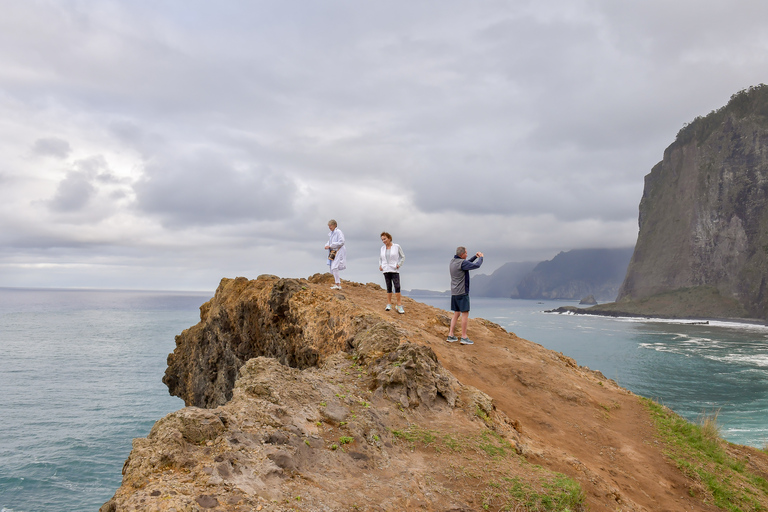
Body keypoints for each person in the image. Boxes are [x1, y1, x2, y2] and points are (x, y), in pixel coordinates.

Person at [447, 246, 483, 345]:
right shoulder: (462, 263)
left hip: (454, 292)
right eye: (466, 253)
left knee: (456, 313)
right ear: (462, 254)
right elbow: (476, 266)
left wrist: (474, 257)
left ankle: (450, 335)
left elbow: (466, 263)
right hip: (462, 292)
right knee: (465, 314)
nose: (467, 255)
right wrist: (481, 257)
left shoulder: (452, 261)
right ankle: (464, 336)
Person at [379, 232, 406, 314]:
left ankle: (399, 305)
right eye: (382, 239)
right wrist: (380, 265)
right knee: (388, 287)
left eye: (385, 239)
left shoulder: (396, 246)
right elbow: (380, 258)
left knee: (397, 286)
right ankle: (389, 304)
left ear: (389, 238)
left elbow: (403, 256)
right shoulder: (382, 248)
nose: (384, 241)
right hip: (386, 270)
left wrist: (399, 264)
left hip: (394, 269)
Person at [324, 219, 346, 289]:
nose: (330, 227)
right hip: (333, 251)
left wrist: (331, 245)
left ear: (335, 225)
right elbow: (329, 241)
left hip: (339, 251)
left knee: (334, 267)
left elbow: (341, 242)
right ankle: (337, 283)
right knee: (332, 267)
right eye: (329, 226)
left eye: (331, 225)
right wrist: (327, 245)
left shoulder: (338, 232)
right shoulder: (331, 233)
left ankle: (338, 284)